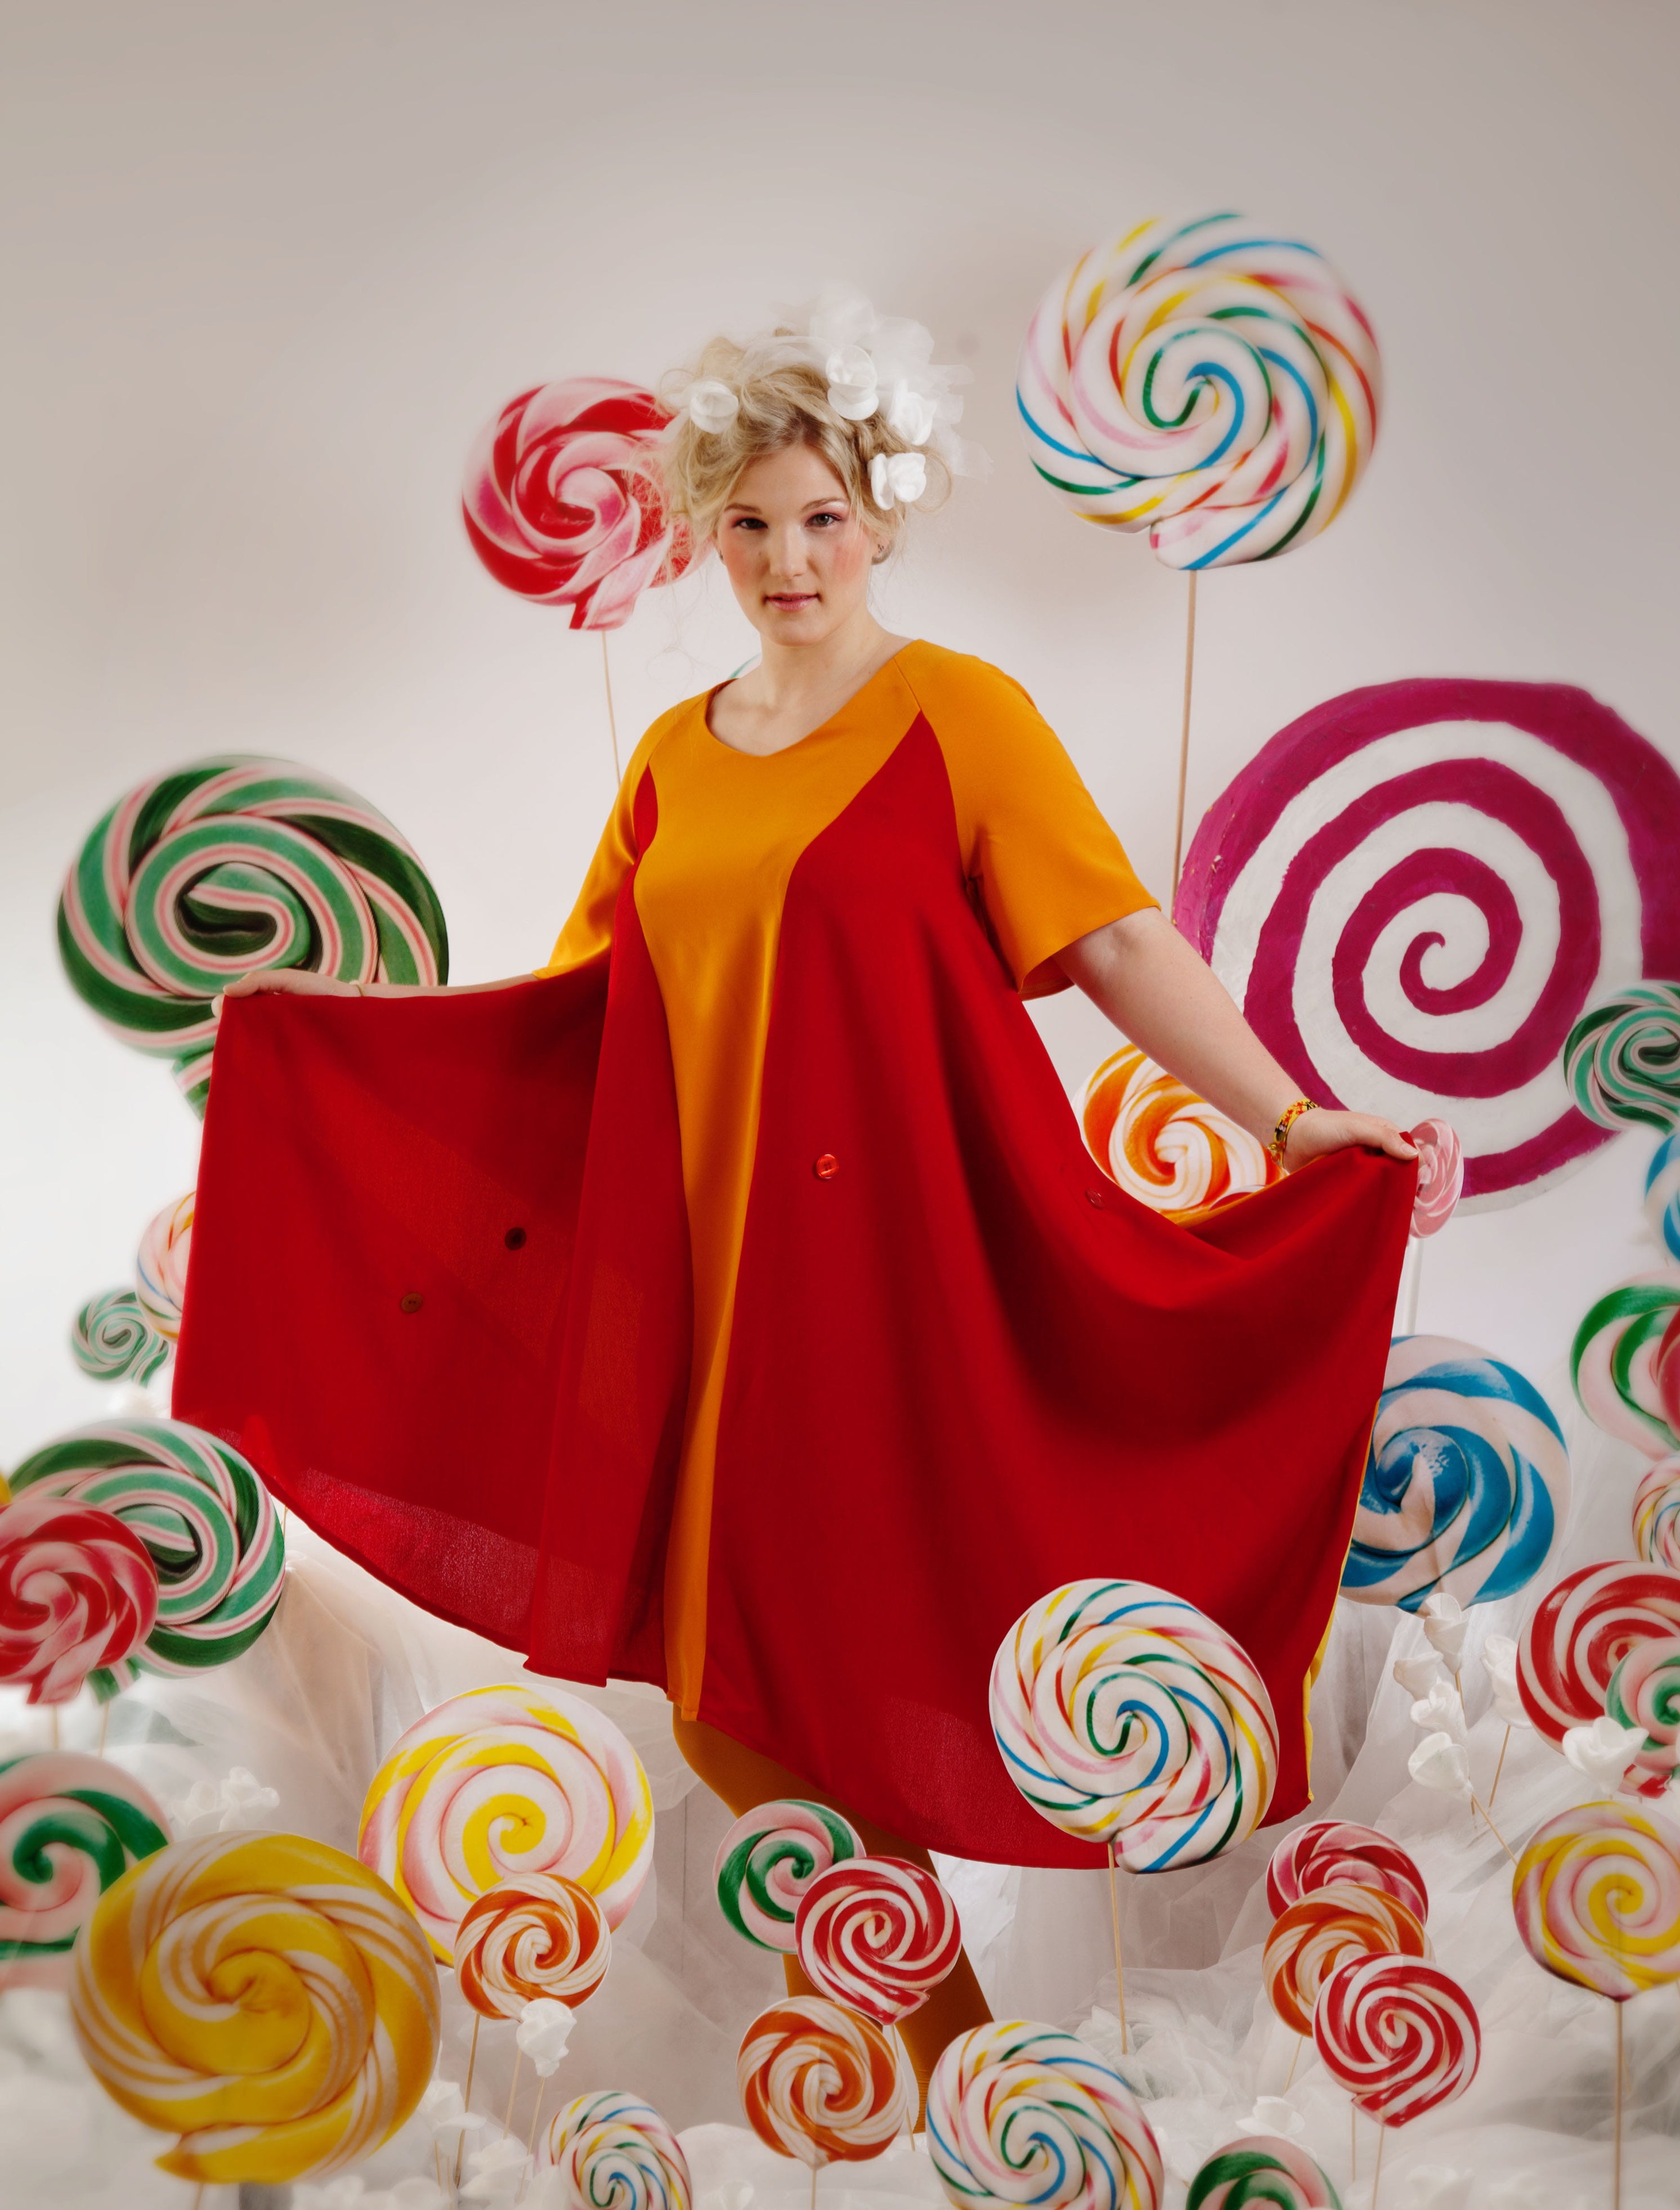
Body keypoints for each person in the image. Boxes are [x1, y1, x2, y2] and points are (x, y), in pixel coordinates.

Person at [190, 302, 1417, 2096]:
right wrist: (324, 1076)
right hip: (698, 1293)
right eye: (751, 522)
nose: (787, 558)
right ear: (706, 529)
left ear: (884, 518)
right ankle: (977, 2085)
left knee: (803, 1659)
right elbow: (579, 1021)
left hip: (885, 1279)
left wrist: (1295, 1119)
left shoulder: (956, 715)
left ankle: (967, 2093)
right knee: (726, 1700)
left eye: (822, 518)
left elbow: (1119, 939)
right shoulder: (676, 756)